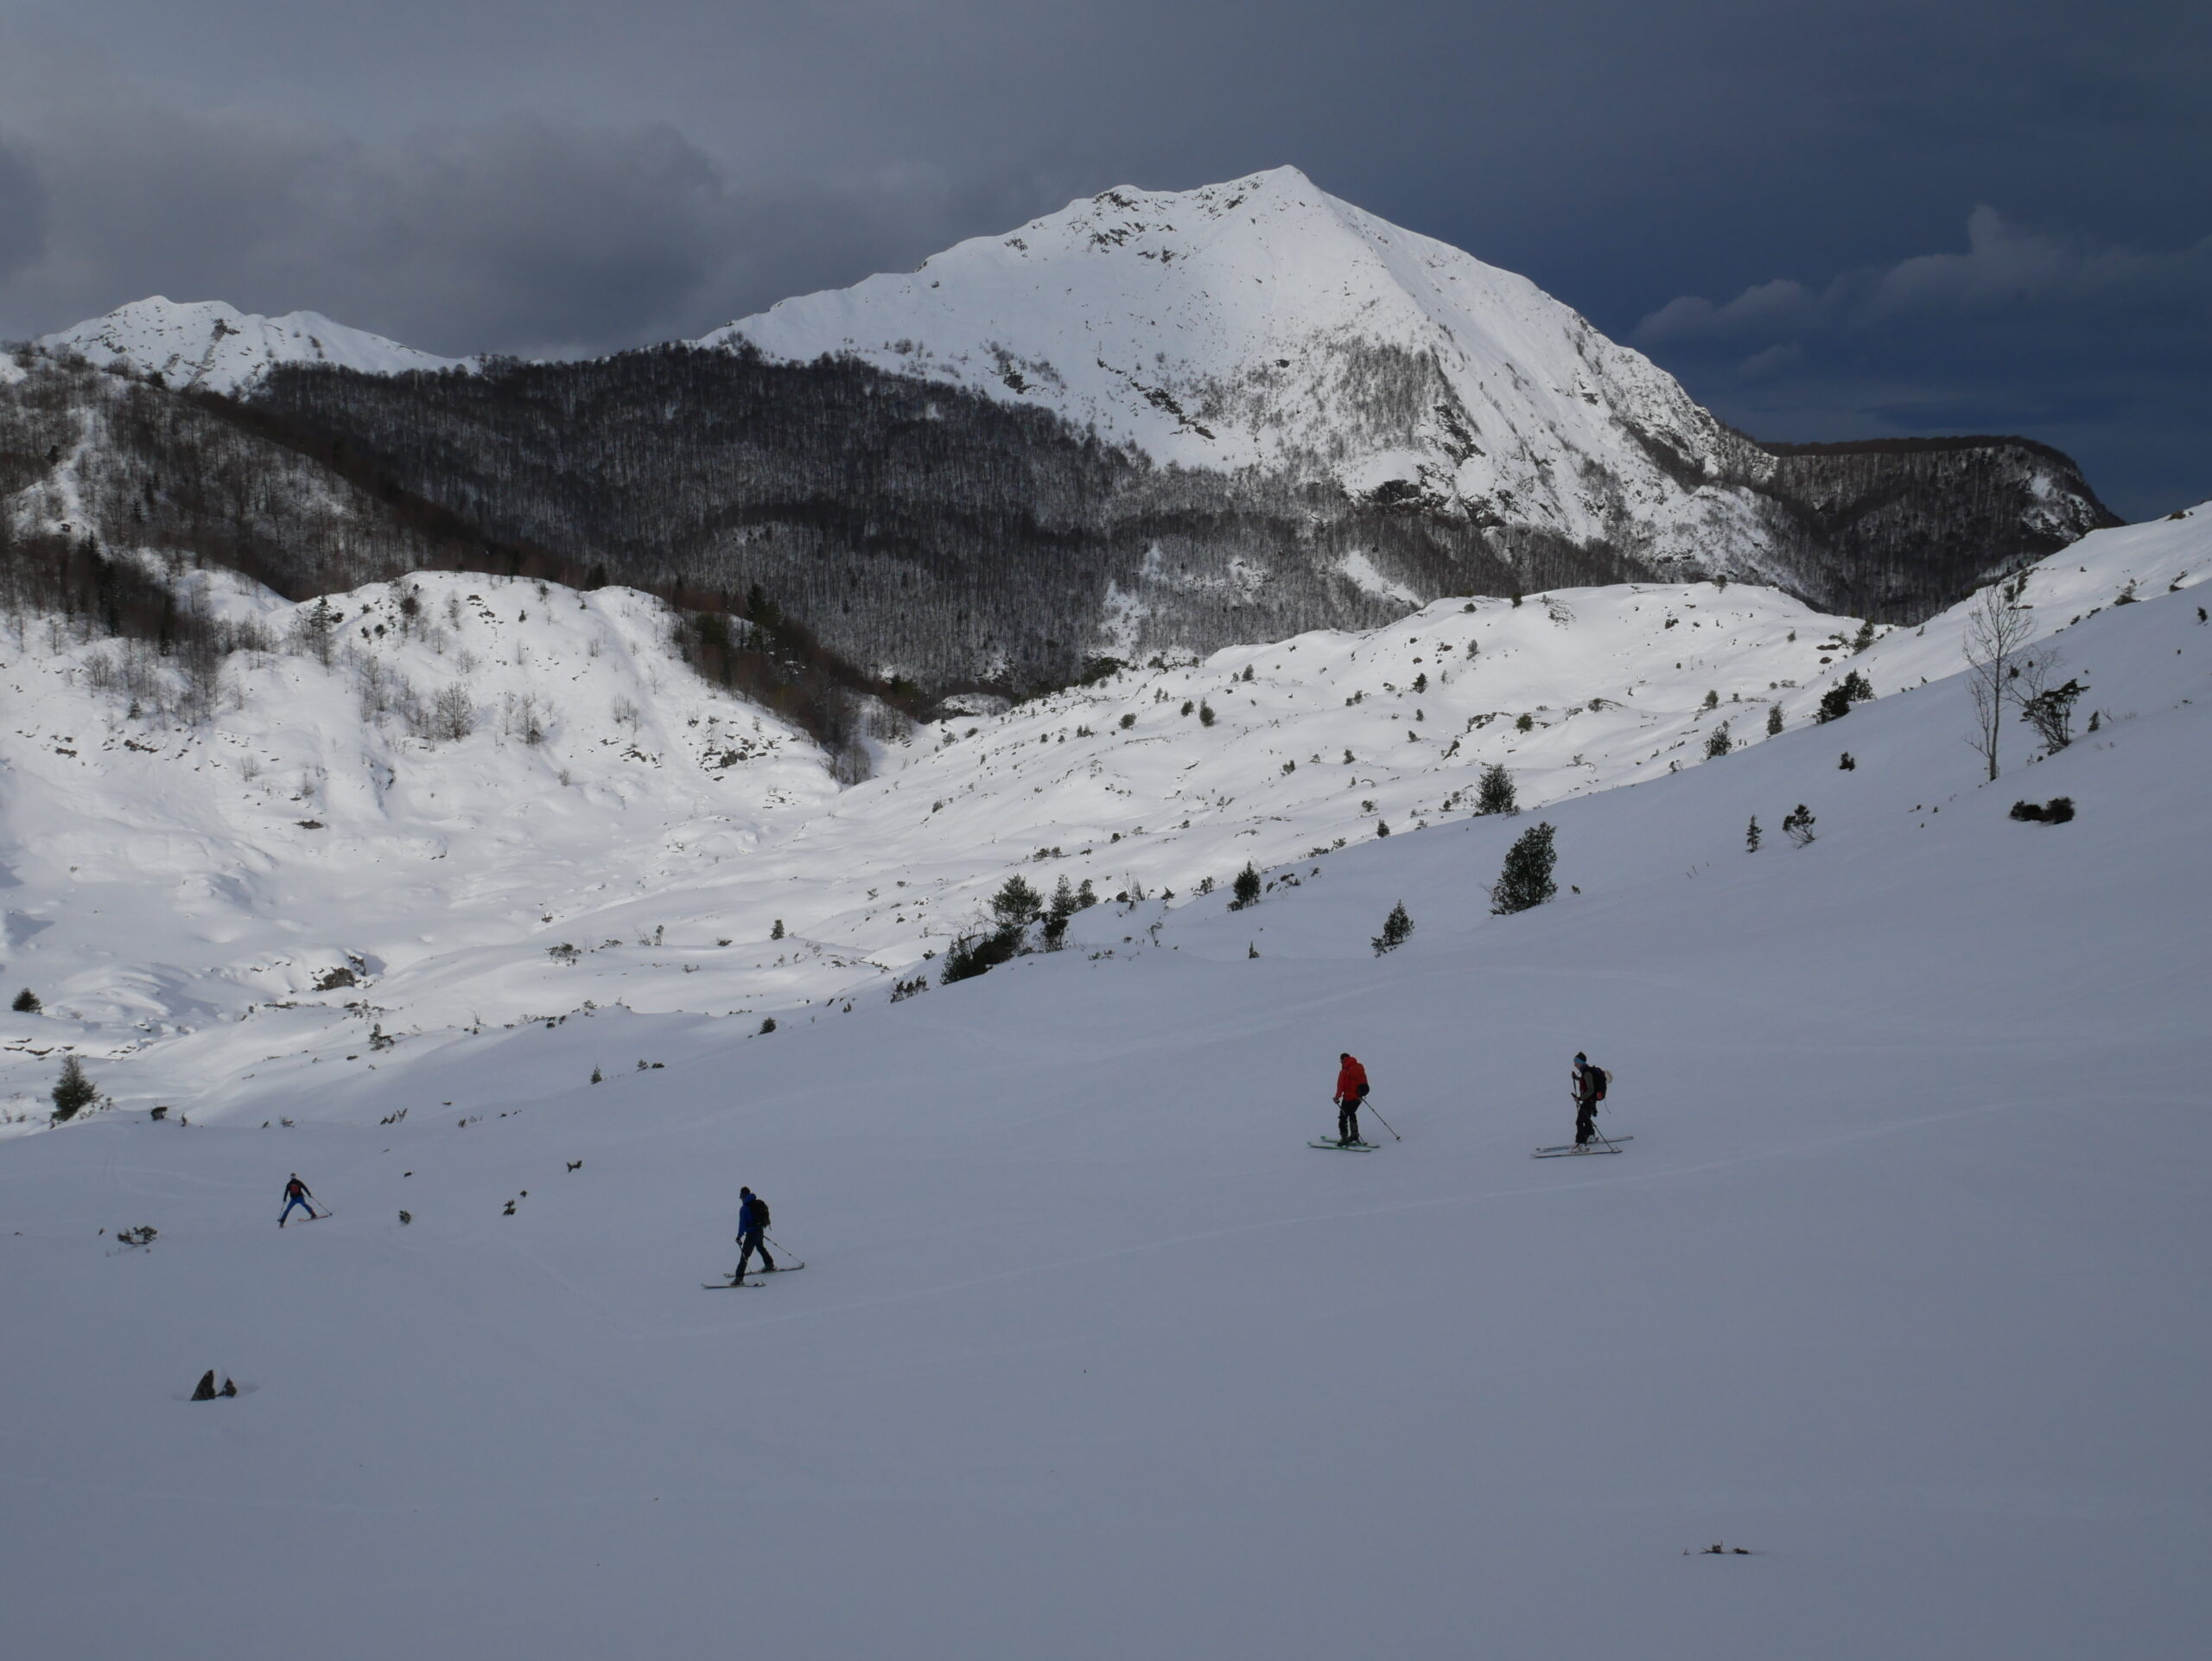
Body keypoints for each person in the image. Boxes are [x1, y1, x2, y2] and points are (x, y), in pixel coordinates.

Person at [734, 1185, 777, 1279]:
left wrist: (738, 1237)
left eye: (741, 1196)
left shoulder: (744, 1209)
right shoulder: (757, 1203)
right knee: (760, 1247)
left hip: (751, 1235)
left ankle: (739, 1278)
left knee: (745, 1255)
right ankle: (769, 1264)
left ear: (743, 1196)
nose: (741, 1198)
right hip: (760, 1231)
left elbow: (742, 1226)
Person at [1570, 1053, 1607, 1146]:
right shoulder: (1586, 1072)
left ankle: (1580, 1143)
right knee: (1586, 1119)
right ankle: (1591, 1136)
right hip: (1590, 1100)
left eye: (1576, 1063)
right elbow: (1586, 1081)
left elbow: (1590, 1089)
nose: (1575, 1065)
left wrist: (1580, 1098)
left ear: (1580, 1063)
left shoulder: (1587, 1072)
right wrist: (1576, 1078)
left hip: (1589, 1100)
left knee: (1579, 1121)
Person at [1333, 1053, 1370, 1146]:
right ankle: (1354, 1135)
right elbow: (1364, 1079)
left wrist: (1337, 1097)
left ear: (1342, 1061)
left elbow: (1340, 1086)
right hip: (1359, 1097)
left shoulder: (1344, 1072)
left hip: (1348, 1098)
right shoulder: (1359, 1067)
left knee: (1343, 1117)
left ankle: (1344, 1139)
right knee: (1352, 1113)